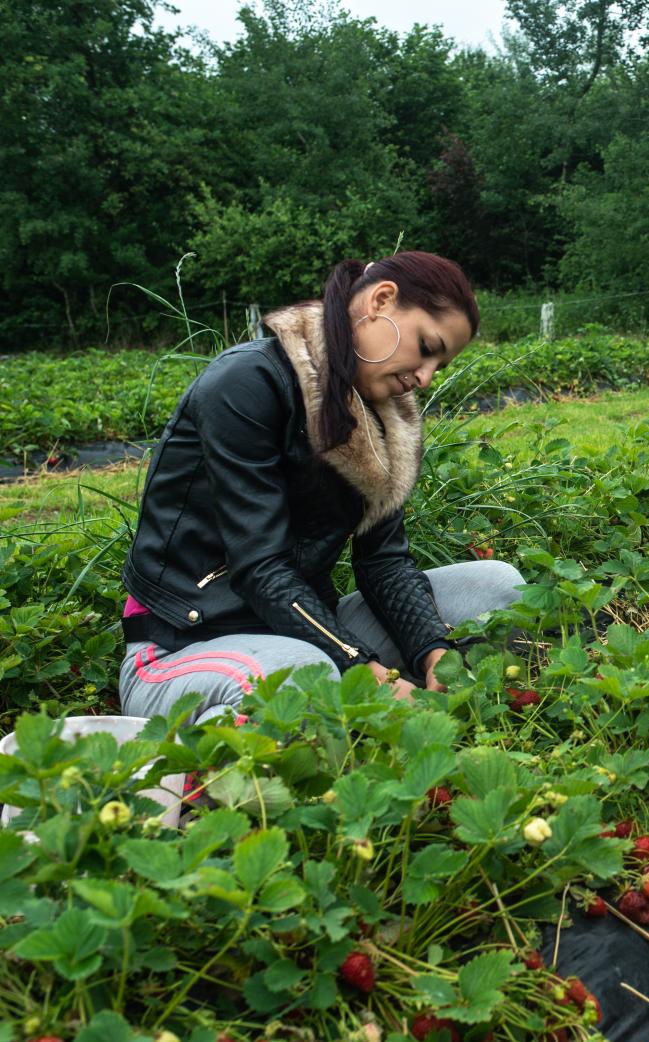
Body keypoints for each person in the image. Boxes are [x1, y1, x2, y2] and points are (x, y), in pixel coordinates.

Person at [120, 252, 526, 722]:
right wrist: (360, 665)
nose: (425, 377)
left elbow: (383, 562)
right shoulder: (248, 382)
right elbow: (259, 567)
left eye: (440, 364)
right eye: (426, 346)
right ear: (381, 301)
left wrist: (436, 653)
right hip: (187, 644)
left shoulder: (387, 422)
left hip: (307, 634)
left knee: (498, 586)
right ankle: (229, 735)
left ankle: (335, 715)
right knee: (304, 674)